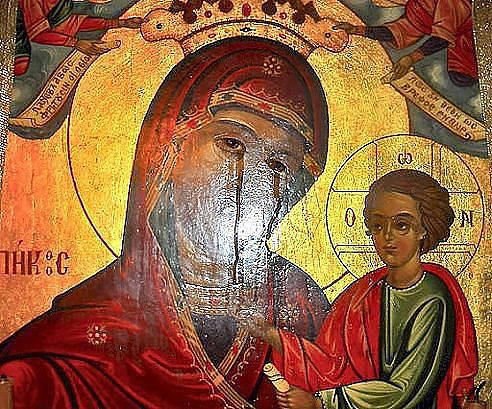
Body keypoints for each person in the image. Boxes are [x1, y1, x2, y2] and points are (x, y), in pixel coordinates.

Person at [0, 38, 330, 408]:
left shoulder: (303, 307)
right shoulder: (78, 347)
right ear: (170, 151)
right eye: (232, 144)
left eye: (279, 164)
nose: (251, 176)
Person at [252, 169, 478, 409]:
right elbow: (333, 366)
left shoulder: (432, 297)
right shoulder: (363, 294)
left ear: (424, 228)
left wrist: (321, 403)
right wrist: (271, 335)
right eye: (378, 225)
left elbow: (405, 390)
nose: (387, 236)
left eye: (401, 225)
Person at [335, 0, 478, 87]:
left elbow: (443, 37)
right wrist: (357, 30)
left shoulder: (451, 3)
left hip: (474, 32)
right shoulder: (418, 5)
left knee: (462, 77)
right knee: (460, 77)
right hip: (459, 34)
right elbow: (399, 30)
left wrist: (410, 58)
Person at [15, 0, 144, 76]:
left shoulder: (61, 4)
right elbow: (38, 34)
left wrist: (120, 23)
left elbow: (68, 23)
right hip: (15, 38)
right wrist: (75, 43)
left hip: (35, 33)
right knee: (21, 70)